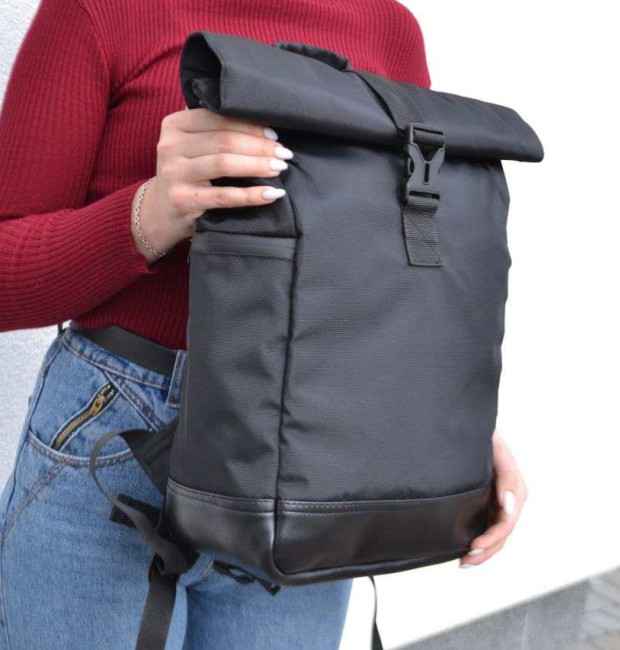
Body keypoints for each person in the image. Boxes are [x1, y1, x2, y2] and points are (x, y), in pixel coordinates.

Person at [0, 0, 528, 647]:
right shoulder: (97, 11)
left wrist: (454, 429)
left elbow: (400, 274)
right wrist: (156, 210)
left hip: (319, 448)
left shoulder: (388, 26)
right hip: (114, 447)